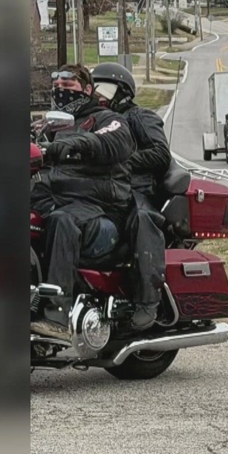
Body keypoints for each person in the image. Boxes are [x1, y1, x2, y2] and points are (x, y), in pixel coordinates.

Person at [30, 64, 135, 338]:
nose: (61, 91)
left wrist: (77, 143)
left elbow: (117, 140)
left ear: (87, 90)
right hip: (60, 202)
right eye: (58, 87)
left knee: (62, 221)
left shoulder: (106, 118)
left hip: (102, 213)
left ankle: (57, 314)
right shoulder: (50, 125)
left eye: (69, 86)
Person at [92, 62, 169, 329]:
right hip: (106, 189)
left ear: (122, 91)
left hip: (137, 189)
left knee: (142, 218)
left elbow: (161, 154)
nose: (98, 95)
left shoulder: (139, 117)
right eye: (94, 89)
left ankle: (148, 301)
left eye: (104, 88)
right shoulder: (97, 120)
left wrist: (123, 161)